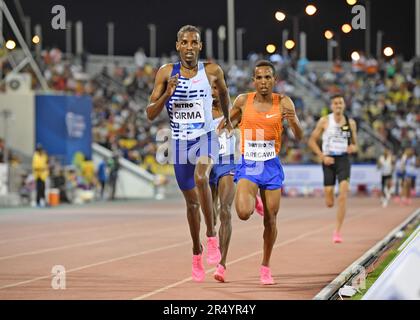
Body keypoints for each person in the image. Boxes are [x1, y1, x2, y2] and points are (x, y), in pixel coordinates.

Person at [146, 25, 233, 282]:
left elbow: (225, 95)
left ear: (200, 47)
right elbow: (150, 113)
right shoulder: (165, 73)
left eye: (194, 43)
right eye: (184, 42)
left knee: (202, 178)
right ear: (178, 46)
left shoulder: (213, 71)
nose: (189, 47)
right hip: (180, 145)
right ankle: (197, 250)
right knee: (191, 203)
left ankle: (211, 235)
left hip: (206, 137)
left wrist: (227, 118)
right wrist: (167, 95)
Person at [218, 60, 303, 285]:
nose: (263, 82)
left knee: (271, 220)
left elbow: (299, 136)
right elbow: (230, 121)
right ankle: (254, 196)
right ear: (253, 80)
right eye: (259, 77)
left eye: (268, 77)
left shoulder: (284, 102)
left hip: (271, 166)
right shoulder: (243, 101)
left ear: (274, 80)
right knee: (243, 213)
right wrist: (225, 128)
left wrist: (293, 122)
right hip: (249, 164)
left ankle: (265, 266)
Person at [308, 94, 358, 244]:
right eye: (335, 103)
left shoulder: (351, 123)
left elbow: (355, 144)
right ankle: (329, 196)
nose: (338, 105)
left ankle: (337, 231)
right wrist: (322, 157)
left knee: (343, 195)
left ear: (344, 105)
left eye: (340, 103)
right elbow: (311, 141)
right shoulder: (324, 121)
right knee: (330, 201)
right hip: (328, 160)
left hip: (343, 160)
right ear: (331, 106)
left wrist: (353, 148)